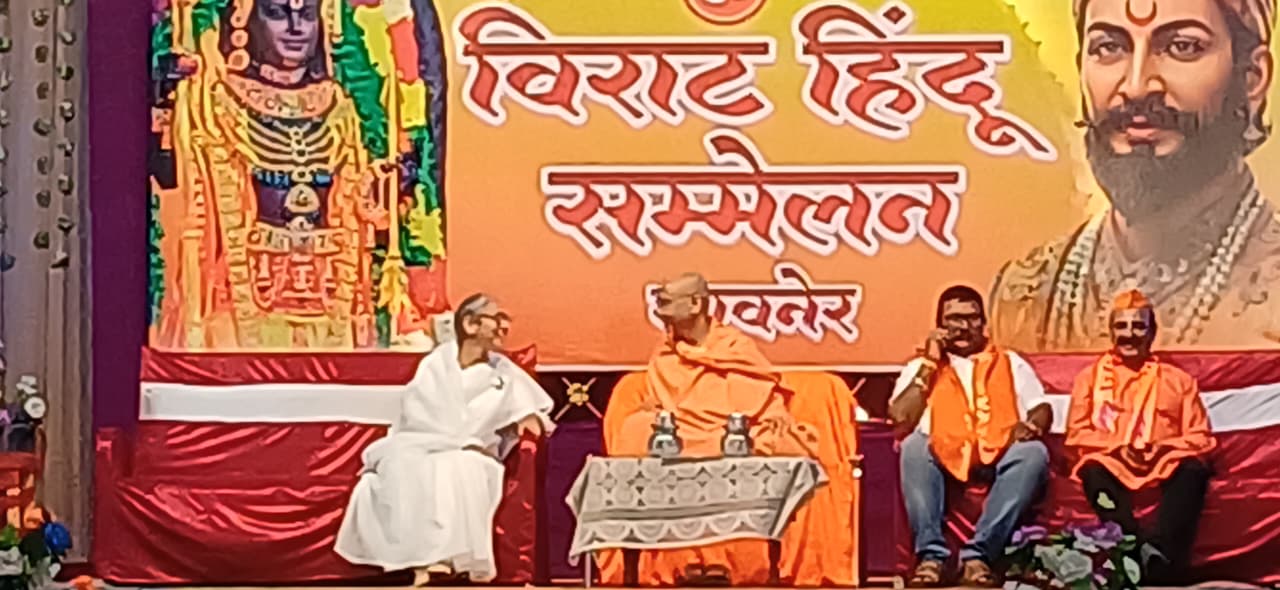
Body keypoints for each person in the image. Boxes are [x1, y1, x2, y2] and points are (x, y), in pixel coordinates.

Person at [990, 0, 1280, 351]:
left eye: (1182, 47)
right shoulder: (1021, 296)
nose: (1137, 86)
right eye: (1108, 47)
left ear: (1252, 77)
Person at [598, 272, 823, 586]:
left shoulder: (734, 346)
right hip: (681, 434)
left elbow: (758, 391)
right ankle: (638, 568)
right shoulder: (666, 353)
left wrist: (774, 413)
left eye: (667, 302)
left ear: (695, 304)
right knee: (635, 429)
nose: (660, 311)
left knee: (780, 439)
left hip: (732, 431)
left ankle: (767, 568)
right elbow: (664, 403)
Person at [335, 293, 554, 585]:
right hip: (422, 443)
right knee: (402, 466)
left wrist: (524, 420)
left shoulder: (504, 373)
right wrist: (439, 439)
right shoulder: (434, 365)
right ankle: (422, 563)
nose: (504, 327)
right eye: (497, 319)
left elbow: (533, 417)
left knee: (458, 467)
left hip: (473, 451)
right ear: (470, 324)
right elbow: (414, 414)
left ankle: (442, 561)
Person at [890, 286, 1053, 588]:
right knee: (913, 446)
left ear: (984, 322)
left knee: (1033, 453)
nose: (963, 327)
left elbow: (1040, 407)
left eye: (972, 318)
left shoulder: (1010, 362)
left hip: (999, 450)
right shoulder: (920, 367)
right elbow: (901, 417)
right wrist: (930, 364)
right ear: (939, 325)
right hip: (942, 454)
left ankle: (978, 556)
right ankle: (932, 557)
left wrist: (1032, 425)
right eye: (954, 319)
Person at [1065, 289, 1216, 584]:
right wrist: (1117, 448)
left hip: (1166, 460)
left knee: (1193, 470)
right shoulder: (1089, 379)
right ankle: (1132, 550)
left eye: (1138, 326)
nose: (1129, 334)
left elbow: (1200, 436)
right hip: (1111, 460)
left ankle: (1162, 557)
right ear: (1111, 332)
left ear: (1152, 332)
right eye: (1121, 326)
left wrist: (1164, 448)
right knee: (1093, 471)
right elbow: (1077, 434)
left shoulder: (1179, 380)